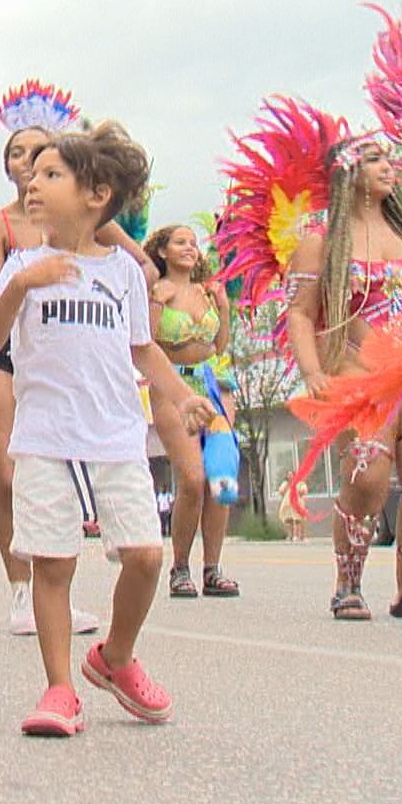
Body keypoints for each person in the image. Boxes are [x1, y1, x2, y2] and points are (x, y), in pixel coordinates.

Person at [0, 122, 215, 738]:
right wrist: (20, 286)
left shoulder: (125, 274)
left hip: (115, 437)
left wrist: (183, 396)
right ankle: (59, 690)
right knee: (53, 565)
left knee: (144, 555)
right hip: (45, 438)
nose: (33, 182)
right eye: (32, 173)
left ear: (96, 194)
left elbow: (144, 350)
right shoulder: (24, 263)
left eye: (52, 174)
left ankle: (115, 657)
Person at [242, 107, 402, 620]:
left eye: (388, 159)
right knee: (367, 479)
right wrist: (313, 373)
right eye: (374, 158)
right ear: (347, 172)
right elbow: (300, 313)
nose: (387, 166)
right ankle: (348, 585)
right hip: (362, 376)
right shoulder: (322, 242)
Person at [0, 81, 149, 637]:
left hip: (71, 347)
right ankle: (24, 589)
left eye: (43, 157)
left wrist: (148, 276)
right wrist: (29, 283)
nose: (30, 165)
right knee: (7, 471)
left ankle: (62, 586)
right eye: (19, 155)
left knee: (64, 472)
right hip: (8, 348)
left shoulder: (87, 219)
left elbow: (133, 260)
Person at [143, 224, 241, 599]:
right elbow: (146, 342)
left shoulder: (206, 291)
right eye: (180, 242)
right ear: (163, 251)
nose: (190, 248)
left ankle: (212, 569)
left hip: (214, 385)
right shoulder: (157, 291)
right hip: (172, 389)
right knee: (192, 476)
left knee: (221, 476)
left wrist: (225, 308)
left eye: (194, 244)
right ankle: (180, 567)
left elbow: (219, 345)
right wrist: (156, 304)